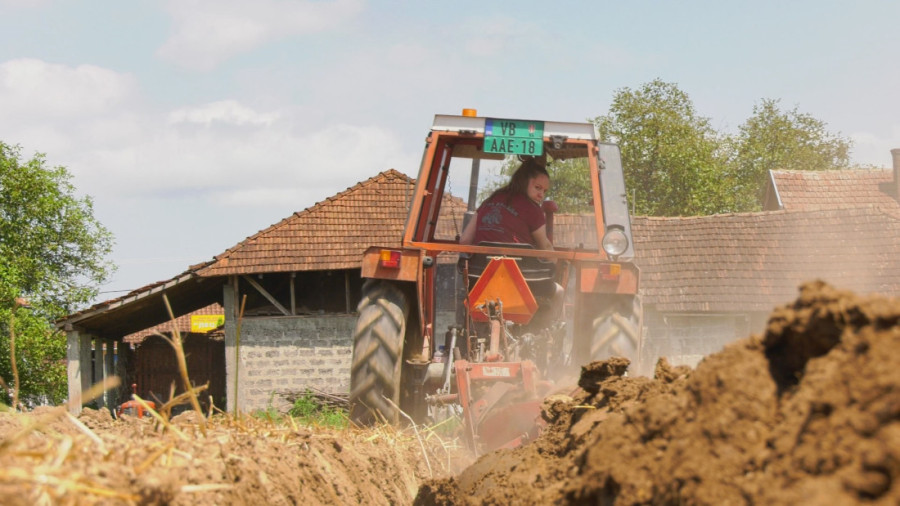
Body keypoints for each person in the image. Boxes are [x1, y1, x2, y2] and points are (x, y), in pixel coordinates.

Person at [459, 159, 553, 250]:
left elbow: (464, 241)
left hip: (479, 264)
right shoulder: (532, 209)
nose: (541, 195)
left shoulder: (490, 200)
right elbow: (545, 246)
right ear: (524, 181)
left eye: (544, 191)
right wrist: (557, 264)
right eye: (537, 188)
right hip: (518, 265)